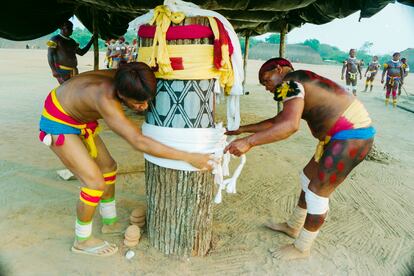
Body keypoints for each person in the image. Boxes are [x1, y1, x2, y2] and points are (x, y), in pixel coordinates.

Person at [38, 62, 214, 256]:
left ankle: (109, 222)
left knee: (109, 167)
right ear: (121, 95)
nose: (144, 106)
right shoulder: (105, 97)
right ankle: (82, 240)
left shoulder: (128, 77)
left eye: (147, 101)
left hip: (77, 114)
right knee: (94, 183)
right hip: (58, 120)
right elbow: (138, 141)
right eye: (138, 103)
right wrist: (188, 156)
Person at [225, 58, 375, 260]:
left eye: (266, 80)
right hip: (341, 137)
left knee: (317, 193)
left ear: (279, 69)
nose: (267, 87)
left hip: (351, 137)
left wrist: (249, 142)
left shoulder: (290, 82)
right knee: (307, 178)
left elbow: (289, 126)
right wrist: (241, 129)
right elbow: (279, 121)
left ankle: (302, 248)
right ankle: (293, 226)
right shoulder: (296, 81)